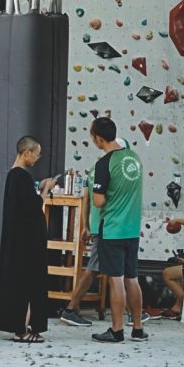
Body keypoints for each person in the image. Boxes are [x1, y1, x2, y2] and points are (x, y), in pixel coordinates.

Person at [60, 138, 149, 328]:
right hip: (109, 228)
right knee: (105, 272)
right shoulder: (114, 166)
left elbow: (87, 197)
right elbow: (99, 199)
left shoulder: (96, 168)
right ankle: (71, 308)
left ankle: (132, 314)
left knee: (101, 270)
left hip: (100, 225)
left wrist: (85, 225)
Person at [88, 118, 148, 342]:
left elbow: (98, 201)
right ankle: (138, 328)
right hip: (132, 229)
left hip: (112, 229)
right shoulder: (135, 158)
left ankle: (117, 329)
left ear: (98, 139)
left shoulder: (104, 163)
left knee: (116, 280)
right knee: (132, 278)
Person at [0, 136, 56, 342]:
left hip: (18, 240)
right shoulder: (21, 176)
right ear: (26, 152)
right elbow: (32, 208)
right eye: (36, 154)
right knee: (30, 283)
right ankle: (25, 328)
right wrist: (45, 190)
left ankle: (20, 326)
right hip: (27, 242)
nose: (37, 158)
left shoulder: (14, 177)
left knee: (21, 283)